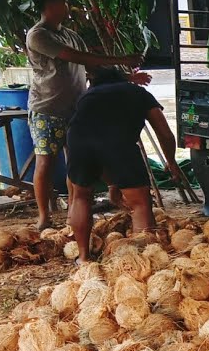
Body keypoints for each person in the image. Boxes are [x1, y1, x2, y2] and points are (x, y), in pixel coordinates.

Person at [25, 0, 147, 229]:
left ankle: (74, 212)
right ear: (51, 4)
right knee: (45, 161)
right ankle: (44, 216)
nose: (68, 5)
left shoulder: (70, 35)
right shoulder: (38, 35)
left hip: (76, 108)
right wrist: (121, 59)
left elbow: (91, 67)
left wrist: (125, 77)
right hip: (47, 109)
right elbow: (76, 57)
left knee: (76, 163)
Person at [65, 67, 183, 264]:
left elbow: (96, 142)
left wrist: (113, 185)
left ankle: (84, 258)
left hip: (78, 142)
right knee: (140, 204)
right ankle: (143, 263)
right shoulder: (138, 92)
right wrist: (171, 162)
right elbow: (164, 133)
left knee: (81, 197)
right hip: (119, 143)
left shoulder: (88, 95)